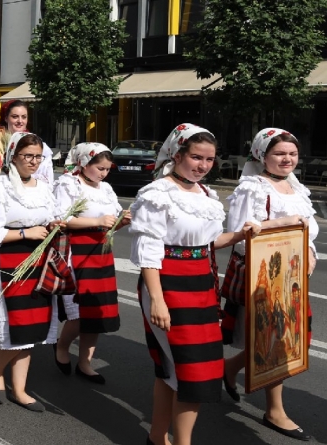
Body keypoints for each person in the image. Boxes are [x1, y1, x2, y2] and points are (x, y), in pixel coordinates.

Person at [129, 123, 259, 445]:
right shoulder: (158, 194)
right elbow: (148, 251)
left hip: (202, 285)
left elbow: (210, 242)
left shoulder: (206, 195)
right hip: (168, 284)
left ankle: (158, 436)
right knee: (191, 370)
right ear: (178, 154)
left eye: (209, 159)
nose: (202, 166)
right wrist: (157, 300)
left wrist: (241, 235)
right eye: (196, 157)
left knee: (175, 369)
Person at [221, 128, 317, 442]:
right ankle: (274, 410)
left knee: (279, 338)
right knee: (276, 340)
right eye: (279, 153)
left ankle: (229, 369)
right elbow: (239, 234)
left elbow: (309, 231)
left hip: (293, 274)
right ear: (263, 155)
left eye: (292, 153)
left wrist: (311, 253)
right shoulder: (253, 187)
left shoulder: (296, 187)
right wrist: (283, 226)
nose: (287, 159)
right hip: (263, 274)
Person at [0, 132, 61, 412]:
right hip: (11, 261)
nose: (34, 162)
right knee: (16, 324)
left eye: (38, 157)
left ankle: (20, 388)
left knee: (34, 326)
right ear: (13, 156)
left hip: (39, 261)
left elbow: (50, 219)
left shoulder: (45, 187)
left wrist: (54, 226)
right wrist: (25, 231)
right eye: (28, 156)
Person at [48, 143, 130, 384]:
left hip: (101, 251)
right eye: (99, 168)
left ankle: (85, 362)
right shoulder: (69, 183)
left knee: (97, 310)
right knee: (79, 312)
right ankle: (62, 347)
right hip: (78, 250)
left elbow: (111, 221)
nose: (104, 173)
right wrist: (97, 220)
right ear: (85, 163)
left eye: (107, 169)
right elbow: (62, 218)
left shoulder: (105, 188)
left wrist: (121, 221)